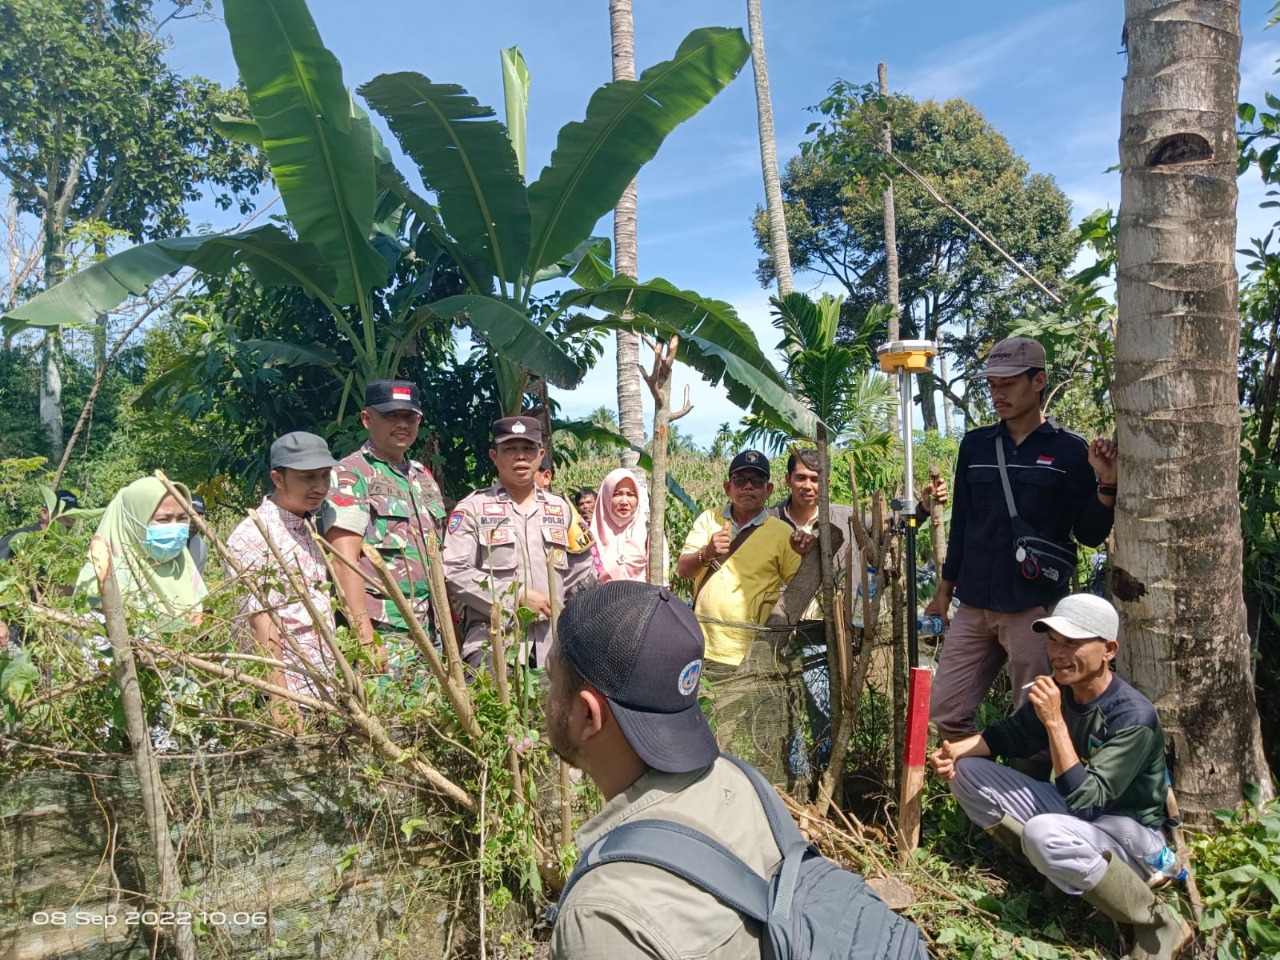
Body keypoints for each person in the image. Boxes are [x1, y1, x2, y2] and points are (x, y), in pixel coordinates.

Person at [929, 593, 1191, 960]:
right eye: (1053, 640)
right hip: (1077, 817)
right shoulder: (1063, 690)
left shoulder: (1132, 716)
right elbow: (1011, 735)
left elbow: (1087, 804)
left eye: (1073, 642)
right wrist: (956, 751)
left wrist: (1054, 720)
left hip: (1131, 838)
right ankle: (1053, 870)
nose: (1058, 652)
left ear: (1109, 649)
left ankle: (1157, 921)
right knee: (967, 773)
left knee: (1042, 832)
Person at [545, 580, 781, 959]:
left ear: (588, 715)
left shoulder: (603, 919)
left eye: (551, 677)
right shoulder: (747, 785)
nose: (548, 692)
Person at [925, 336, 1117, 763]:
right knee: (947, 709)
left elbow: (1087, 533)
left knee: (1031, 719)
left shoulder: (1070, 451)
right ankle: (981, 797)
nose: (998, 394)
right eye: (992, 384)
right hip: (974, 602)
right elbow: (962, 526)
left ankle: (1026, 815)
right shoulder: (974, 446)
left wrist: (1105, 485)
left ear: (1038, 381)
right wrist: (944, 589)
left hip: (1034, 611)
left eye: (1008, 384)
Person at [676, 450, 813, 780]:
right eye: (740, 479)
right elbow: (682, 570)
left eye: (756, 481)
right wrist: (707, 552)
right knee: (706, 732)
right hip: (706, 651)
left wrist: (807, 554)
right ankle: (706, 791)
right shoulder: (708, 521)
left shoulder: (781, 533)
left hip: (754, 656)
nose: (747, 486)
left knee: (757, 736)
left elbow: (800, 587)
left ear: (768, 491)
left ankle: (757, 794)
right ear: (728, 487)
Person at [442, 416, 596, 669]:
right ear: (494, 455)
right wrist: (515, 597)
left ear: (541, 454)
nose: (520, 457)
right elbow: (454, 571)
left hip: (554, 645)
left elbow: (582, 572)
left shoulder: (562, 509)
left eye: (528, 449)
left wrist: (566, 612)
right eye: (510, 449)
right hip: (495, 645)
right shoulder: (473, 509)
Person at [321, 380, 446, 668]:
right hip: (384, 632)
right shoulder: (351, 474)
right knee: (386, 715)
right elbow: (344, 561)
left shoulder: (423, 477)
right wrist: (365, 640)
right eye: (390, 415)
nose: (402, 424)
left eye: (409, 417)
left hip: (431, 632)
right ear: (367, 419)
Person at [226, 432, 340, 700]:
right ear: (278, 479)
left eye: (324, 475)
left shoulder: (306, 526)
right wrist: (280, 700)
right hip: (288, 692)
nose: (320, 487)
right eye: (307, 477)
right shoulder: (256, 535)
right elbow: (259, 623)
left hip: (320, 686)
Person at [74, 477, 205, 629]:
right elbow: (94, 644)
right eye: (164, 519)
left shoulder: (183, 566)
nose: (175, 528)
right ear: (133, 520)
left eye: (182, 518)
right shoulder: (102, 575)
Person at [589, 468, 652, 583]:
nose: (624, 501)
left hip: (642, 599)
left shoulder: (649, 533)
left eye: (630, 494)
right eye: (617, 494)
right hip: (602, 600)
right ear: (606, 496)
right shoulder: (589, 537)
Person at [0, 489, 78, 562]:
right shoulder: (21, 539)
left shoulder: (58, 550)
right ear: (44, 513)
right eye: (64, 513)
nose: (70, 519)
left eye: (74, 514)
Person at [186, 494, 209, 575]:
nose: (192, 524)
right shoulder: (166, 541)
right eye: (189, 516)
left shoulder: (200, 547)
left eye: (197, 518)